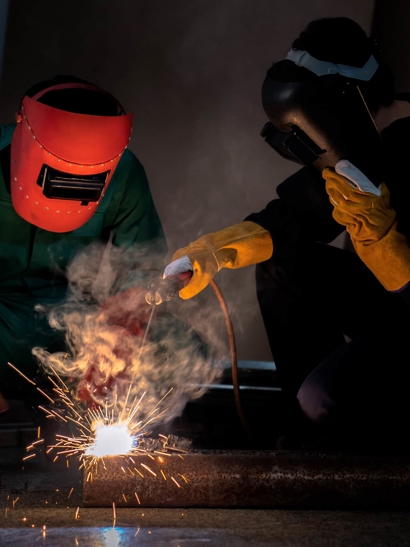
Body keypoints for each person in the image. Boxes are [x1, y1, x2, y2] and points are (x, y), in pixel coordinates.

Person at [163, 17, 410, 453]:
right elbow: (287, 220)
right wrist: (210, 253)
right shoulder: (390, 147)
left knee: (325, 398)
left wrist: (380, 235)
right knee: (283, 261)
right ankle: (310, 435)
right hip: (393, 313)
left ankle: (350, 436)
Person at [0, 74, 167, 412]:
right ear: (22, 123)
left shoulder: (125, 171)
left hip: (68, 320)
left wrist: (123, 327)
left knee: (174, 345)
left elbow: (143, 264)